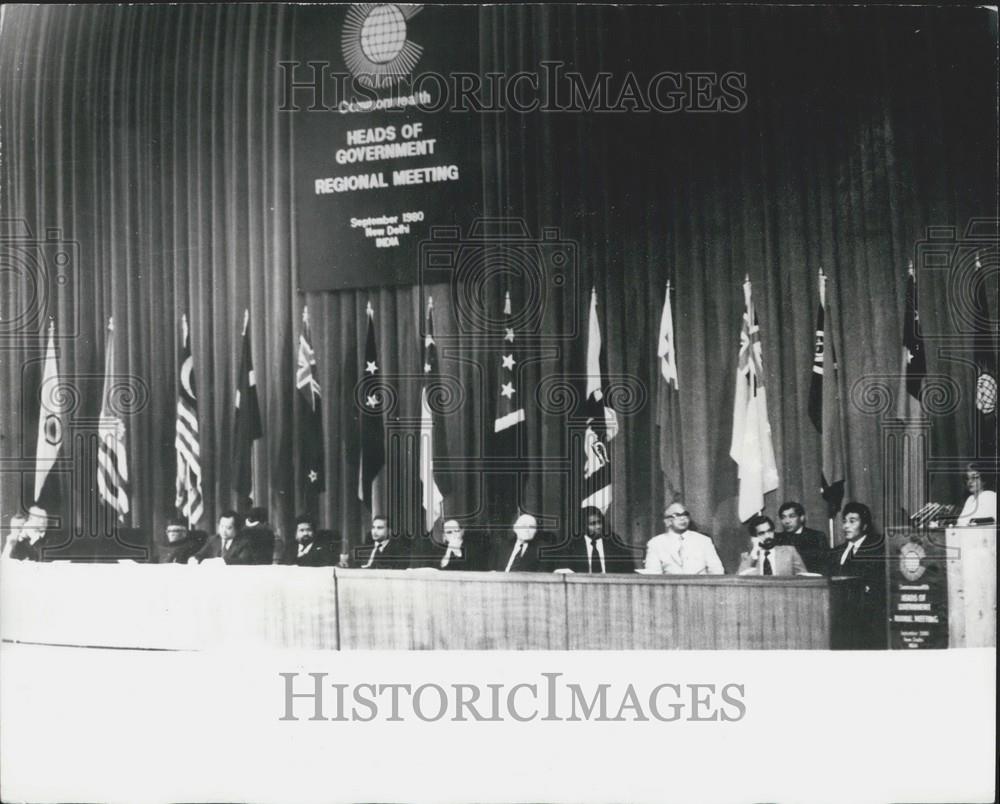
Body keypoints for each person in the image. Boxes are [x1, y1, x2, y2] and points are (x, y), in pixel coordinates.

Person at [828, 501, 887, 649]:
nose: (846, 526)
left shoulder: (878, 548)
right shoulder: (836, 551)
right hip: (839, 619)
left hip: (867, 621)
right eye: (844, 521)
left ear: (865, 525)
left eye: (852, 521)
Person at [548, 506, 638, 573]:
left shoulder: (614, 541)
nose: (598, 527)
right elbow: (563, 570)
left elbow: (628, 569)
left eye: (599, 522)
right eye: (592, 524)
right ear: (583, 526)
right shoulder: (572, 544)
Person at [644, 502, 724, 575]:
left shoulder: (704, 540)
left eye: (685, 514)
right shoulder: (656, 543)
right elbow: (653, 574)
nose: (682, 518)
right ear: (667, 521)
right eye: (676, 515)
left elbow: (717, 571)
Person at [737, 514, 808, 576]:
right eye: (762, 533)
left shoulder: (789, 551)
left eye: (769, 531)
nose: (767, 536)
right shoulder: (750, 557)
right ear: (754, 537)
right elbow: (739, 578)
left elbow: (804, 576)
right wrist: (754, 553)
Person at [776, 501, 827, 572]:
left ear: (802, 518)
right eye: (783, 517)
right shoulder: (777, 538)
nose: (787, 521)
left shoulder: (817, 536)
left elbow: (824, 566)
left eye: (792, 516)